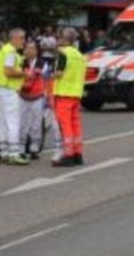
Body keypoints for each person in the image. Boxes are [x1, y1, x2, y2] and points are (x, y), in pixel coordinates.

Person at [0, 28, 29, 165]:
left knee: (4, 120)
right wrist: (24, 74)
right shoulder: (11, 52)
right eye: (22, 38)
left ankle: (4, 151)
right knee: (13, 120)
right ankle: (14, 153)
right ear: (14, 38)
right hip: (8, 88)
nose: (24, 41)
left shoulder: (4, 50)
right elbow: (8, 71)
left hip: (1, 87)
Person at [53, 27, 87, 167]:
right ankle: (78, 153)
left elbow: (59, 74)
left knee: (65, 125)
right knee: (75, 125)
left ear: (63, 39)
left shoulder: (63, 53)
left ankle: (68, 154)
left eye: (59, 37)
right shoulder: (80, 55)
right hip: (76, 93)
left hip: (64, 93)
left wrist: (49, 75)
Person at [19, 41, 46, 160]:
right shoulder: (20, 63)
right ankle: (21, 147)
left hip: (37, 96)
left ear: (36, 51)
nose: (29, 50)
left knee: (36, 123)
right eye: (27, 48)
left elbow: (37, 76)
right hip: (23, 96)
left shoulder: (42, 63)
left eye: (32, 48)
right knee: (23, 123)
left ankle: (34, 147)